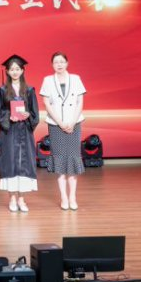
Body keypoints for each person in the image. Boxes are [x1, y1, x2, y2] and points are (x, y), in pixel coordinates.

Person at [41, 51, 86, 211]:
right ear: (52, 65)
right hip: (55, 125)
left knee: (73, 160)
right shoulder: (48, 80)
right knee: (60, 162)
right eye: (56, 62)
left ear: (67, 63)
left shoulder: (76, 79)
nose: (59, 64)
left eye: (62, 61)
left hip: (74, 124)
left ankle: (73, 197)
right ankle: (64, 197)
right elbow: (47, 103)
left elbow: (80, 102)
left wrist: (73, 121)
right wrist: (60, 123)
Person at [0, 54, 39, 212]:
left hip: (25, 131)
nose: (14, 72)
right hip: (9, 132)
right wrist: (9, 116)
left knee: (24, 163)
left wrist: (28, 115)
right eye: (12, 69)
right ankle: (12, 198)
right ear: (7, 71)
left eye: (17, 69)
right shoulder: (1, 90)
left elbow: (34, 112)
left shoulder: (29, 90)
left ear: (22, 70)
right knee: (10, 162)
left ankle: (22, 199)